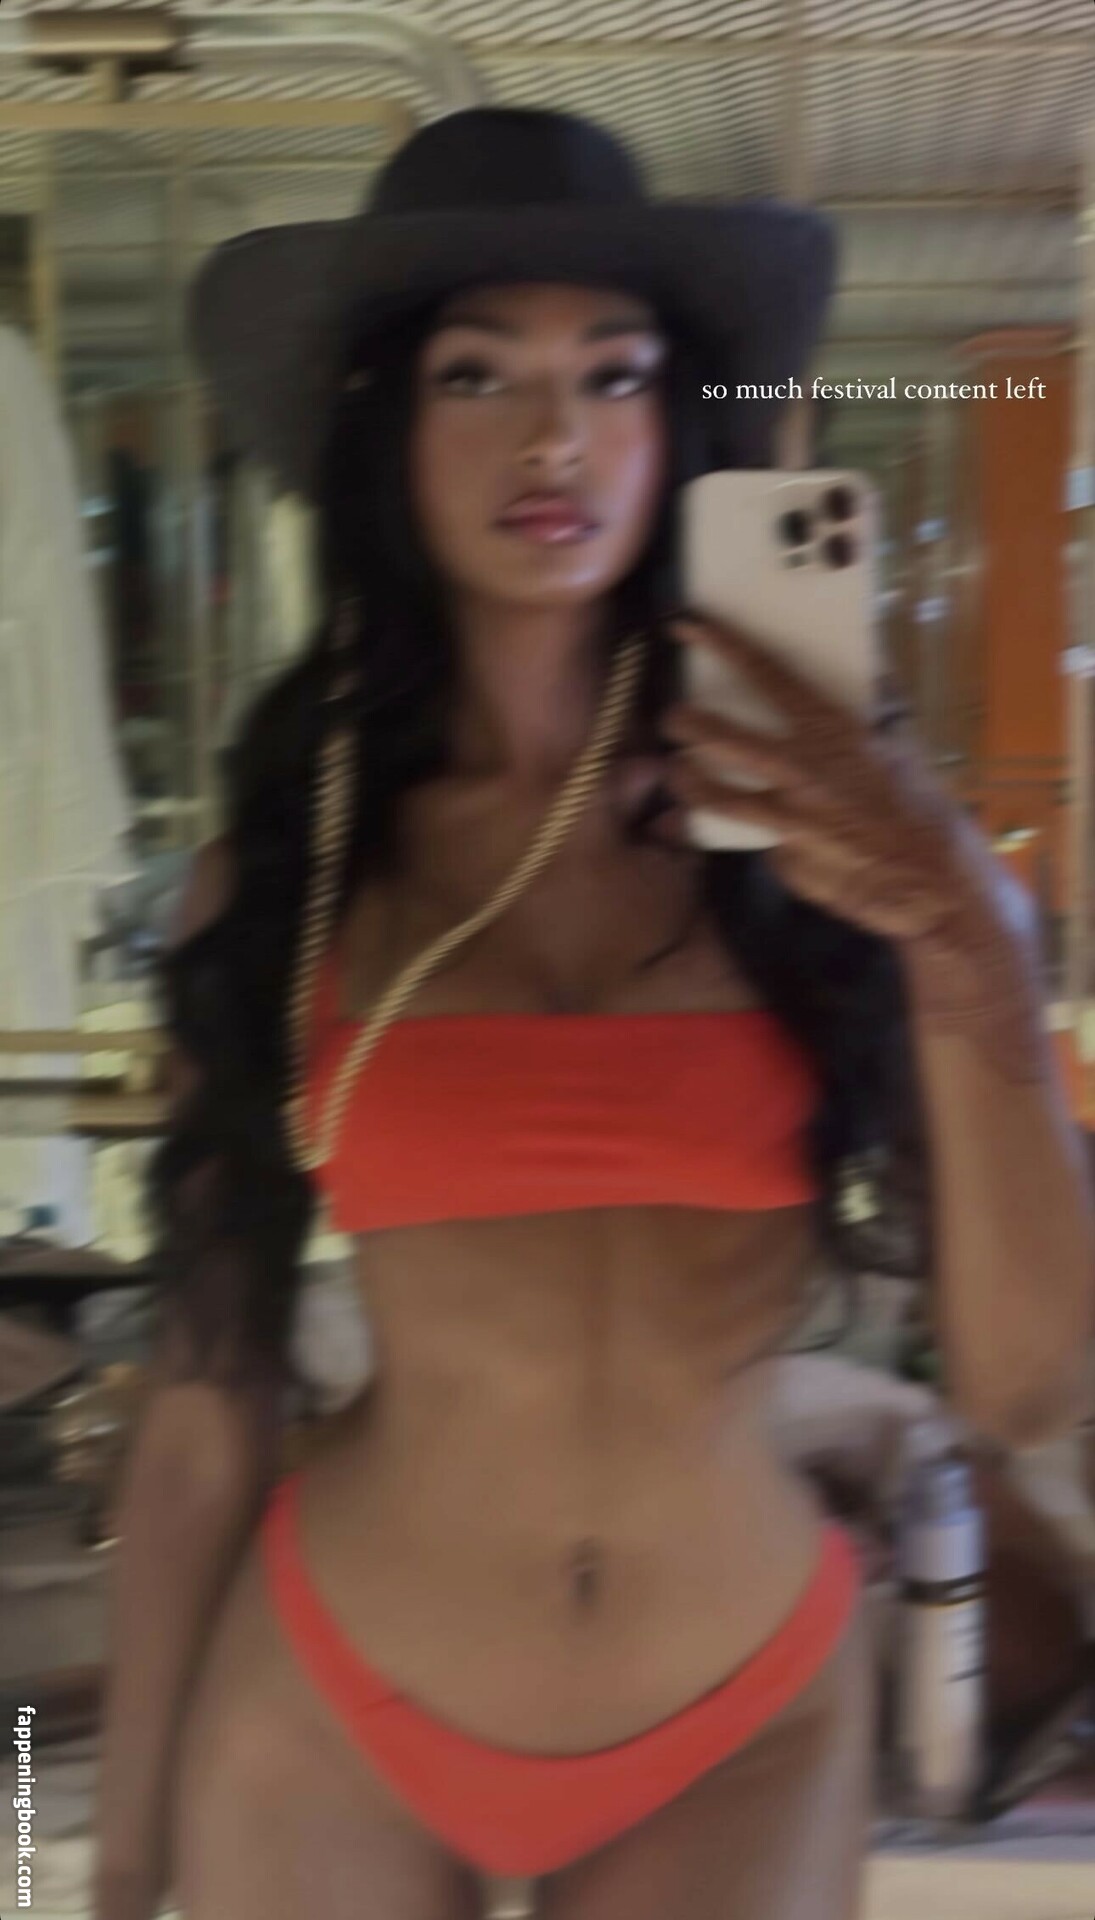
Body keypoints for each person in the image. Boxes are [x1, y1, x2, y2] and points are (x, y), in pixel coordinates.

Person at [93, 107, 1095, 1920]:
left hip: (742, 1717)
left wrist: (970, 932)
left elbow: (1027, 1383)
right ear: (386, 428)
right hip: (329, 1705)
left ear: (679, 424)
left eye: (614, 375)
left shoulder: (834, 853)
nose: (553, 436)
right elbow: (201, 1409)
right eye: (478, 374)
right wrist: (97, 1861)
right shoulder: (298, 863)